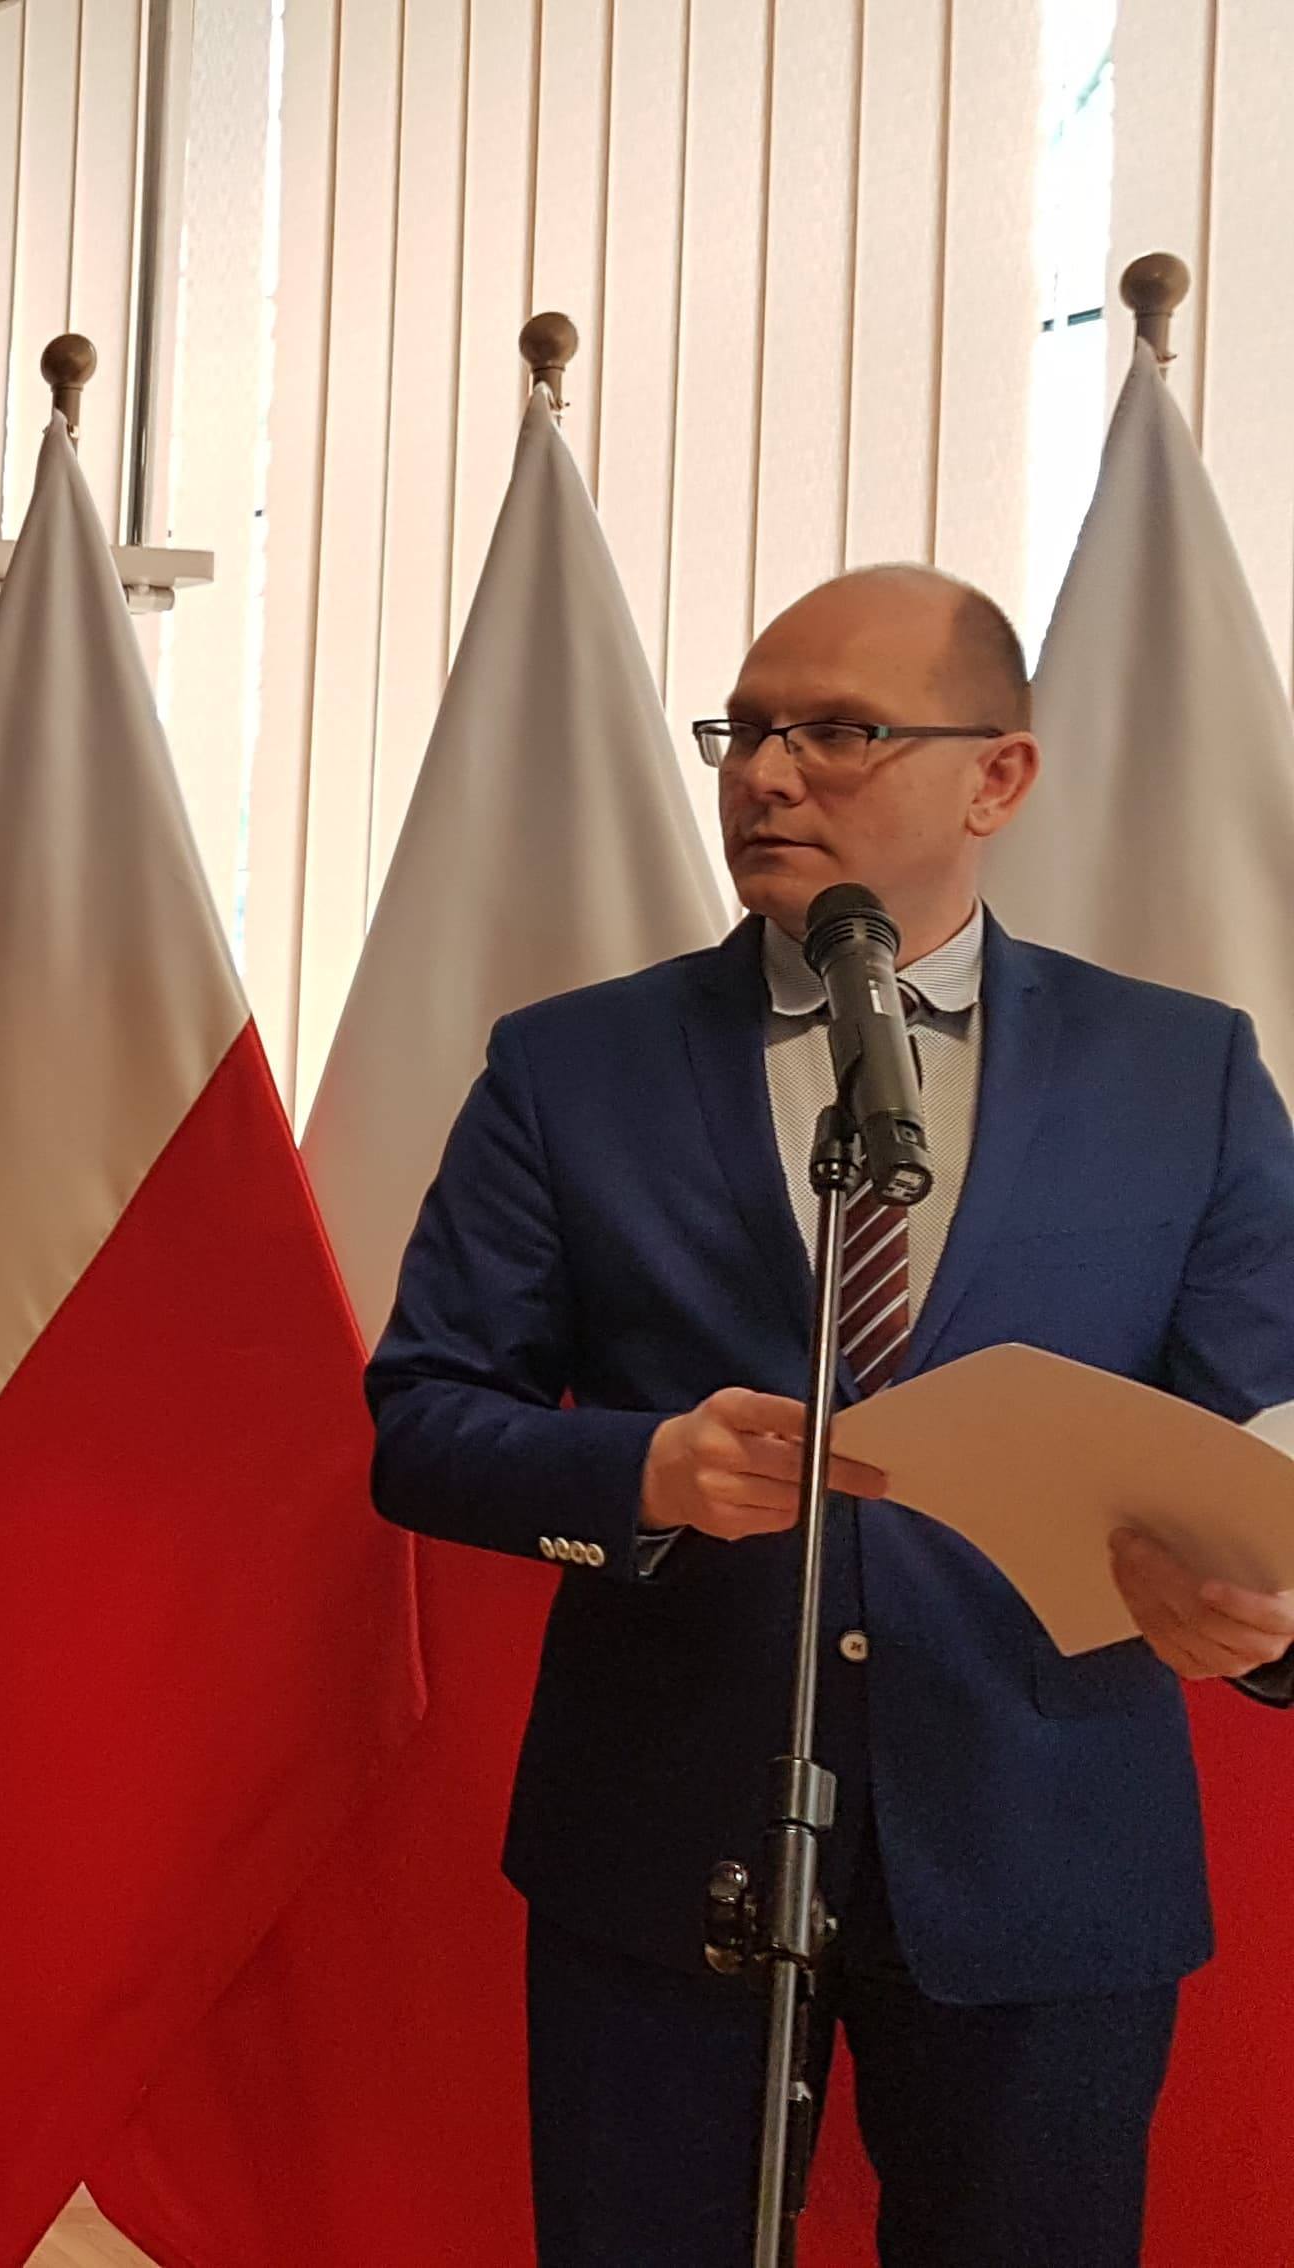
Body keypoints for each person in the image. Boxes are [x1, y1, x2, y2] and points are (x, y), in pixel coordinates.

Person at [371, 563, 1294, 2267]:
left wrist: (1265, 1614)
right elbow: (421, 1420)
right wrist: (640, 1469)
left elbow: (1274, 1432)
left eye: (840, 732)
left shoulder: (1183, 1073)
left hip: (1048, 1856)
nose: (767, 774)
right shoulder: (573, 1068)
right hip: (667, 1850)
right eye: (744, 731)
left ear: (998, 777)